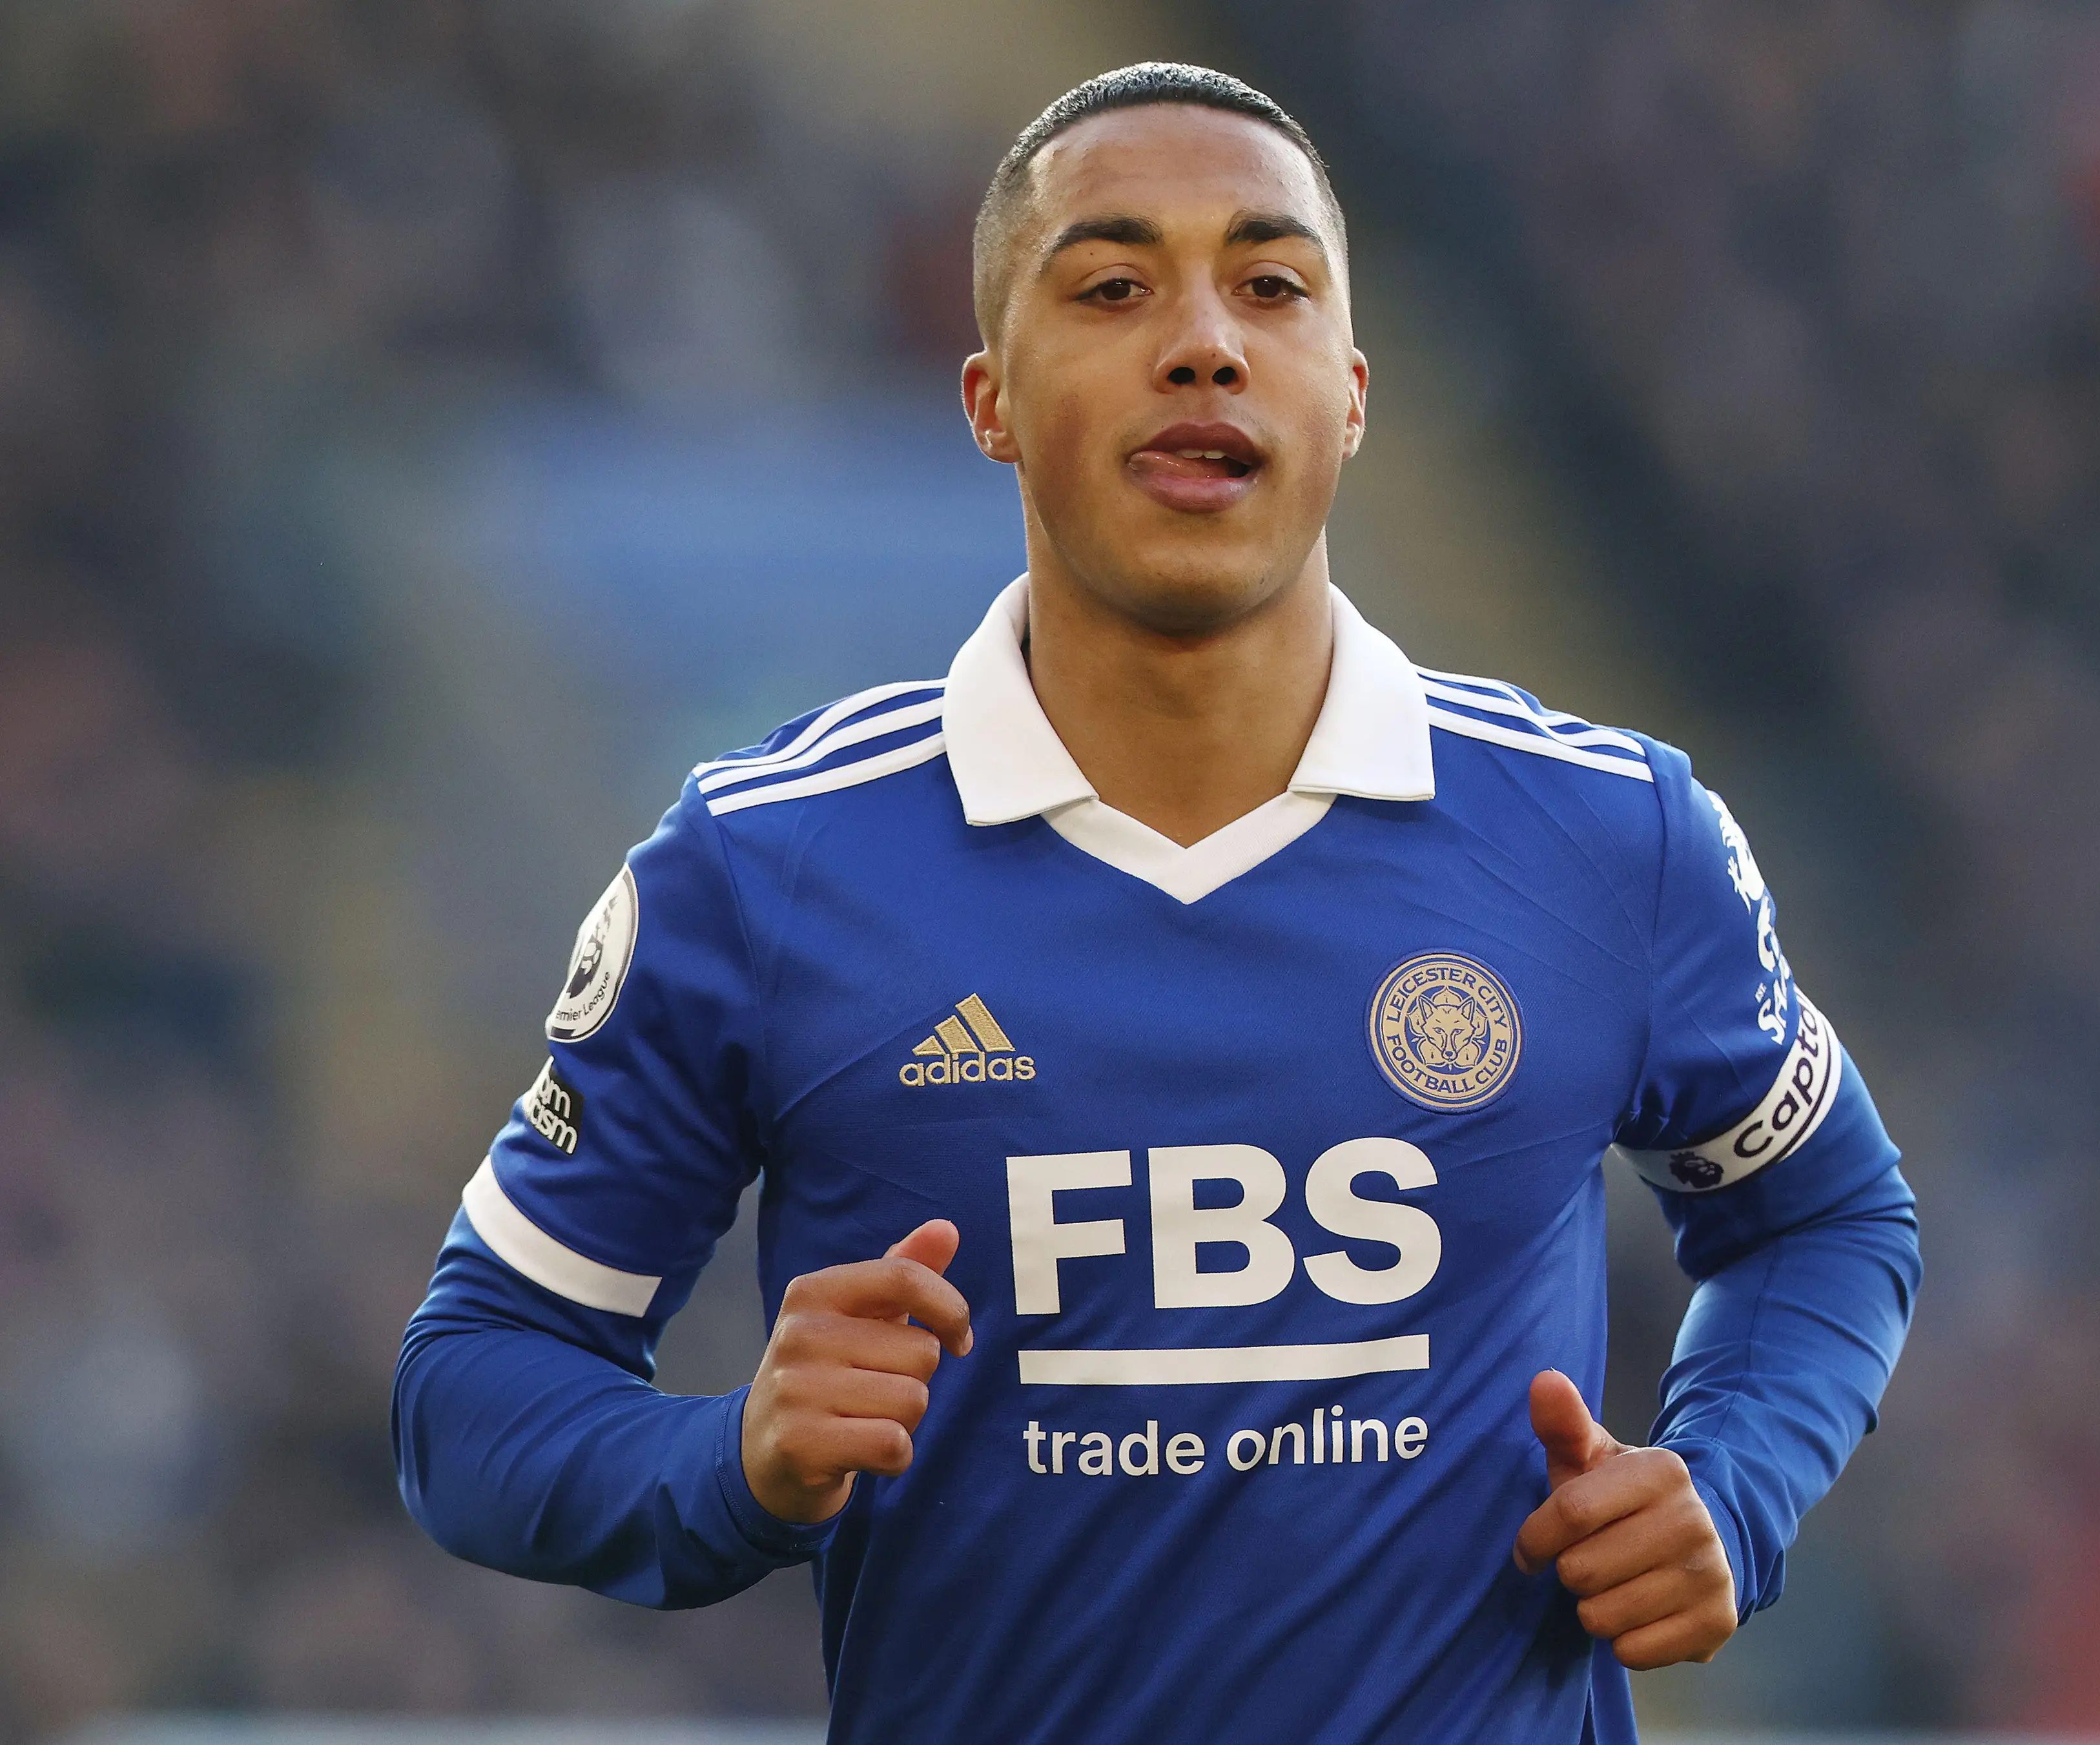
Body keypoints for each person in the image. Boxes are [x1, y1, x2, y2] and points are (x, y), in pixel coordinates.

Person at [394, 61, 1919, 1745]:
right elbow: (474, 1388)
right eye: (1114, 286)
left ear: (1348, 391)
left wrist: (1733, 1484)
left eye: (1270, 284)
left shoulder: (1607, 831)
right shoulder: (764, 870)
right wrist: (729, 1461)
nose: (1204, 340)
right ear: (985, 396)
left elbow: (1825, 1217)